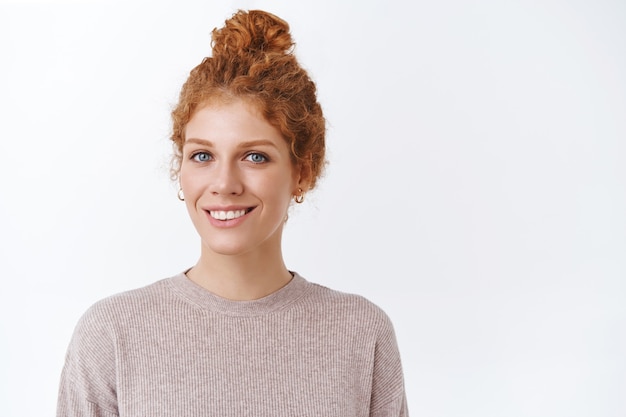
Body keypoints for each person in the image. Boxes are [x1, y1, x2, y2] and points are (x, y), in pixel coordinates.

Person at [57, 9, 408, 417]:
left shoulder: (363, 334)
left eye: (255, 156)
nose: (224, 183)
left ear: (303, 171)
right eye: (202, 155)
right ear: (181, 167)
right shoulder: (111, 335)